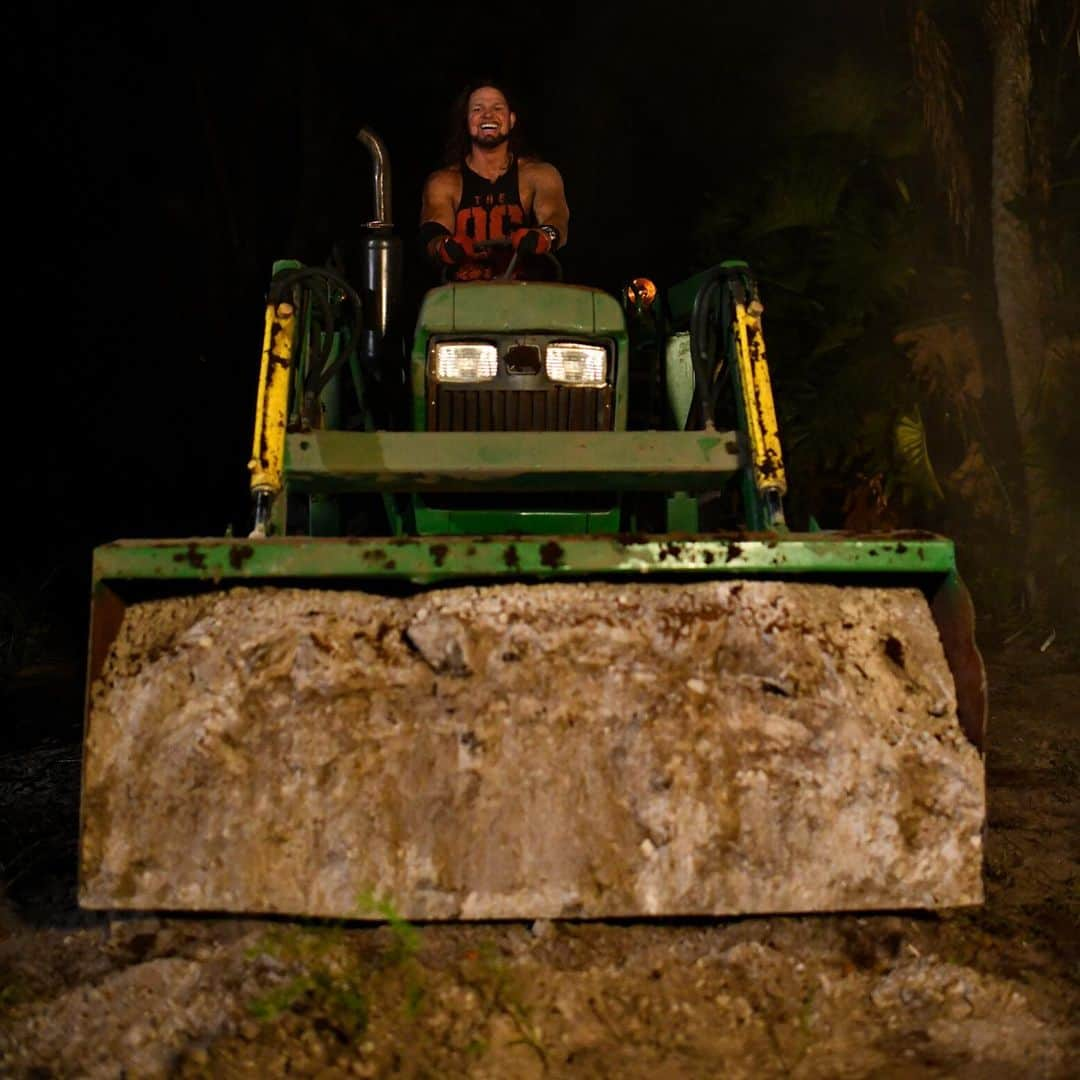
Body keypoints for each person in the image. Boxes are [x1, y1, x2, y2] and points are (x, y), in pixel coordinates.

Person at [419, 80, 569, 281]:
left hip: (526, 299)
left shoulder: (540, 174)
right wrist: (445, 246)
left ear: (511, 119)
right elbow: (433, 230)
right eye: (478, 109)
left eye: (497, 108)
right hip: (465, 301)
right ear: (466, 121)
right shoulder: (444, 182)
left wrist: (544, 236)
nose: (488, 115)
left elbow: (556, 218)